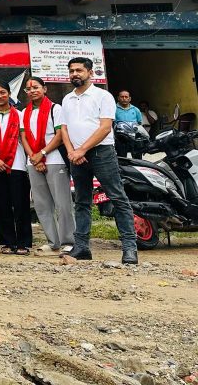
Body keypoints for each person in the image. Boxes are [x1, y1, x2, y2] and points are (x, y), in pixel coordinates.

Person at [62, 57, 137, 264]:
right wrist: (72, 152)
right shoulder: (67, 99)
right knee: (81, 201)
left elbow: (104, 128)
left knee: (117, 198)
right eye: (71, 71)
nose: (75, 74)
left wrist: (82, 150)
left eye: (79, 70)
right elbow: (64, 128)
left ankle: (130, 248)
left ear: (90, 73)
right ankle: (82, 247)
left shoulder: (103, 96)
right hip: (76, 156)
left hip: (101, 153)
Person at [21, 76, 74, 254]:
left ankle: (69, 240)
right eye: (29, 89)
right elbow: (23, 137)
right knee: (42, 204)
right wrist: (34, 158)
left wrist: (42, 154)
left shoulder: (55, 109)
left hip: (54, 160)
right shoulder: (24, 112)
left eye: (36, 87)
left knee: (62, 203)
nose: (32, 91)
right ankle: (53, 242)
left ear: (44, 89)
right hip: (33, 162)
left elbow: (60, 135)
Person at [0, 79, 31, 255]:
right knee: (1, 204)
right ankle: (7, 241)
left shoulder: (19, 115)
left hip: (17, 163)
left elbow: (24, 138)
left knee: (20, 203)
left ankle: (23, 242)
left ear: (10, 94)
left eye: (2, 92)